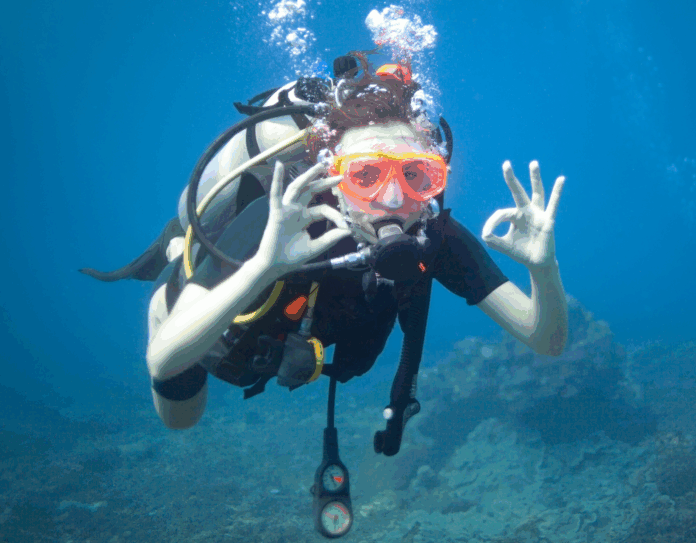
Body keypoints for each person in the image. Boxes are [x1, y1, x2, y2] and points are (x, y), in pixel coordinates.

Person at [87, 52, 568, 433]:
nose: (395, 198)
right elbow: (164, 359)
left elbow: (545, 340)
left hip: (296, 344)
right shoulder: (282, 221)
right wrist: (263, 266)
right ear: (333, 179)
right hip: (223, 341)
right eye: (366, 175)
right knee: (182, 421)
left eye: (418, 175)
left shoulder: (435, 236)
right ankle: (179, 260)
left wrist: (543, 270)